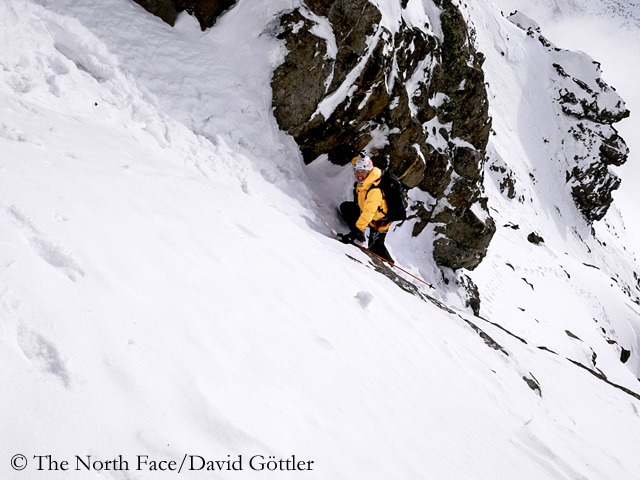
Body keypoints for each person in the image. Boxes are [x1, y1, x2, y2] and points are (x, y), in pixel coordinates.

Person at [338, 155, 394, 264]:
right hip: (366, 213)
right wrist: (358, 159)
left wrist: (355, 231)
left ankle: (390, 266)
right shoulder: (367, 179)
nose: (359, 175)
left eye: (362, 172)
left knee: (375, 248)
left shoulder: (375, 190)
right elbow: (356, 163)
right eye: (357, 172)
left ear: (368, 172)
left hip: (379, 222)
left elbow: (369, 212)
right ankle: (361, 235)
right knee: (346, 208)